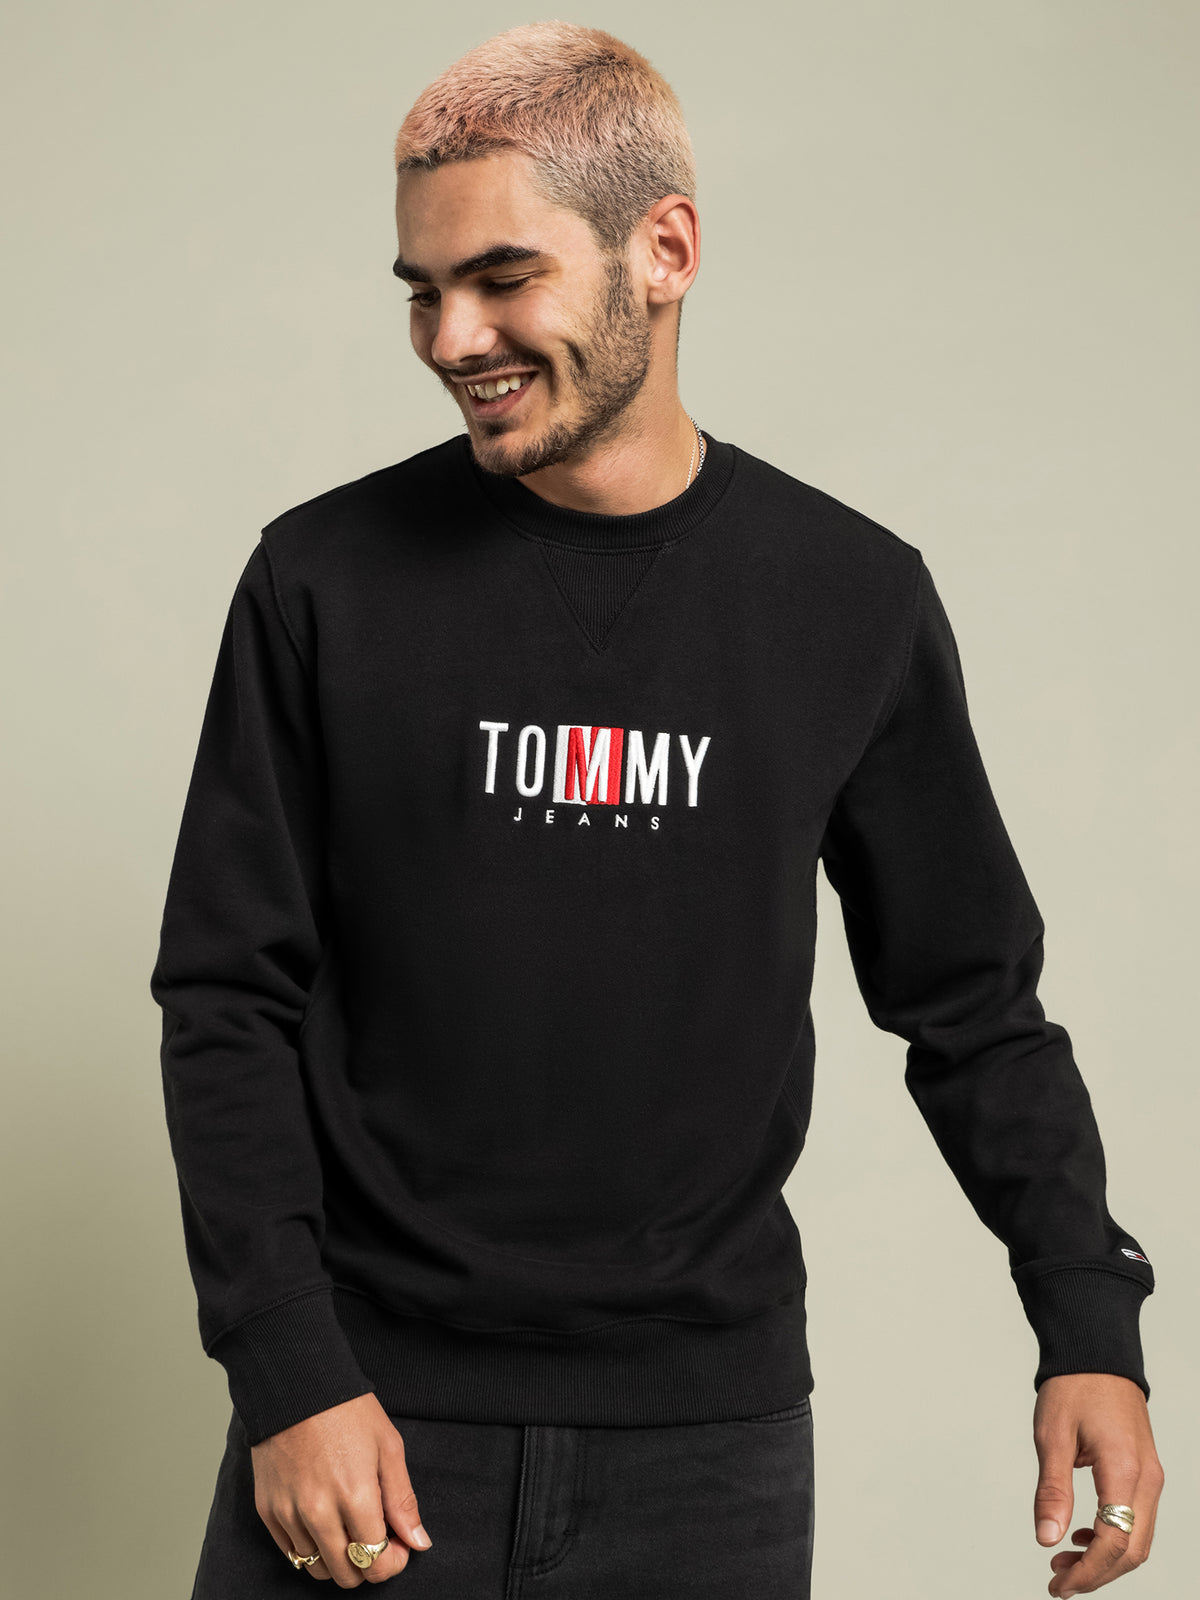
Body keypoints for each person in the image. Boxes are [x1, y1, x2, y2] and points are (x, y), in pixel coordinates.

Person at [149, 21, 1162, 1599]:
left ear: (665, 250)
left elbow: (973, 1004)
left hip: (708, 1460)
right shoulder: (321, 581)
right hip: (362, 1427)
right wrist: (285, 1368)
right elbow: (227, 995)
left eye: (502, 279)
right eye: (422, 290)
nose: (452, 337)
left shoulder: (848, 598)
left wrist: (1088, 1319)